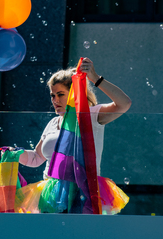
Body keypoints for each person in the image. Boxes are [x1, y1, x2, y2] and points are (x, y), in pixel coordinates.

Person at [10, 57, 132, 214]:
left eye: (60, 94)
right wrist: (15, 153)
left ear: (74, 93)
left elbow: (124, 104)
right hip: (51, 196)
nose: (55, 100)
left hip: (82, 193)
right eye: (52, 95)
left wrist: (95, 78)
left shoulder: (92, 115)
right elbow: (36, 158)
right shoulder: (53, 122)